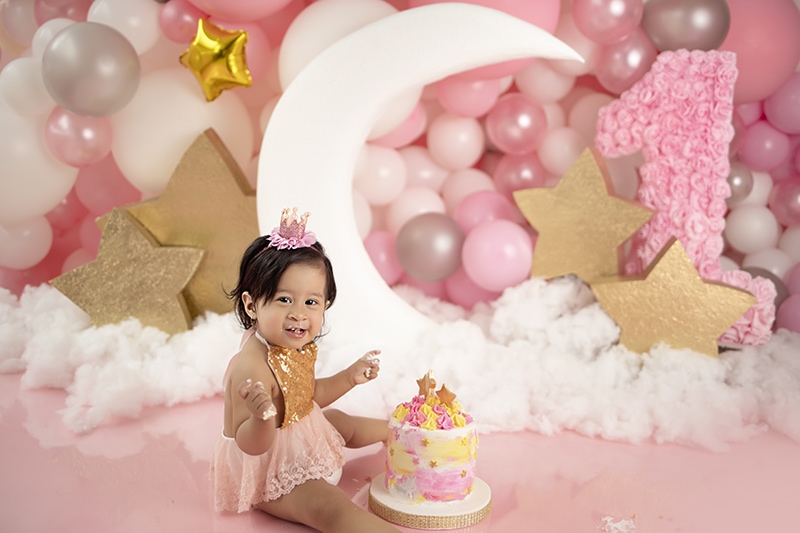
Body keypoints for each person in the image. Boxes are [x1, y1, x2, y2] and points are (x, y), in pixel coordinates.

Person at [211, 208, 400, 533]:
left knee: (340, 421)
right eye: (284, 300)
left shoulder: (292, 346)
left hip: (301, 438)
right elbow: (250, 445)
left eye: (311, 302)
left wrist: (349, 377)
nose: (299, 314)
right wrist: (261, 417)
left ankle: (401, 432)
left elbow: (304, 398)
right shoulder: (251, 368)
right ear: (251, 304)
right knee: (329, 507)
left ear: (325, 305)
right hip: (271, 469)